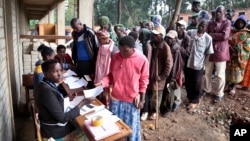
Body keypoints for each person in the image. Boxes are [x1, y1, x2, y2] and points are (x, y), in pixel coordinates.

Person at [96, 36, 149, 141]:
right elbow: (111, 75)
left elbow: (144, 81)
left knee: (131, 128)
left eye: (125, 51)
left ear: (133, 48)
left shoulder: (142, 59)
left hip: (132, 99)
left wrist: (142, 100)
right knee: (115, 127)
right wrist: (103, 82)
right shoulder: (115, 57)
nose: (122, 53)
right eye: (120, 49)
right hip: (116, 98)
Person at [34, 59, 93, 140]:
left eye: (61, 70)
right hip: (56, 132)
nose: (60, 74)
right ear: (45, 73)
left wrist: (67, 98)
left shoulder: (46, 84)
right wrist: (83, 102)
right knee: (88, 134)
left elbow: (53, 101)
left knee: (80, 124)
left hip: (53, 126)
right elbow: (62, 118)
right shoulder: (46, 91)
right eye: (55, 71)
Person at [203, 5, 231, 102]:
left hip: (221, 52)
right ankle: (206, 89)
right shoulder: (210, 23)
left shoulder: (227, 23)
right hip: (209, 51)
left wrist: (211, 35)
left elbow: (224, 36)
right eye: (216, 12)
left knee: (220, 74)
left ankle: (219, 93)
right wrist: (212, 35)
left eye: (220, 12)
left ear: (224, 13)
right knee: (207, 72)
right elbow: (205, 34)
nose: (217, 13)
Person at [185, 20, 213, 111]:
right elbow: (183, 35)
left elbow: (208, 53)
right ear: (198, 25)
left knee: (197, 83)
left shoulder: (208, 38)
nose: (201, 28)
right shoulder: (191, 33)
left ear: (206, 27)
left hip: (199, 64)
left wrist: (204, 65)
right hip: (188, 63)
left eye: (204, 26)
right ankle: (189, 97)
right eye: (200, 25)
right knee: (188, 81)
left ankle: (195, 100)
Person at [147, 26, 173, 120]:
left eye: (156, 35)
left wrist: (162, 76)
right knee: (152, 93)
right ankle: (151, 110)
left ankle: (155, 112)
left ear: (161, 36)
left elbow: (169, 64)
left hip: (158, 76)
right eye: (153, 34)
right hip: (152, 74)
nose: (154, 36)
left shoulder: (165, 47)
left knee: (156, 95)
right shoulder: (153, 44)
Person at [225, 15, 250, 95]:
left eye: (242, 22)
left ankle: (234, 87)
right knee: (228, 70)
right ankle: (227, 85)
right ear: (236, 22)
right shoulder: (232, 31)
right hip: (230, 54)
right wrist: (230, 47)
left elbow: (248, 45)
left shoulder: (247, 33)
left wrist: (238, 48)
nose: (240, 24)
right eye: (238, 22)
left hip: (239, 56)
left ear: (244, 23)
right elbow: (227, 40)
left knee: (237, 71)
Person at [161, 30, 183, 116]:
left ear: (175, 39)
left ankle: (167, 109)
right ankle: (165, 107)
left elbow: (175, 65)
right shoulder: (167, 47)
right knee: (166, 91)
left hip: (172, 74)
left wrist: (172, 78)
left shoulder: (176, 49)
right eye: (167, 38)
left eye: (171, 38)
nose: (169, 40)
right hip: (166, 72)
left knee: (170, 92)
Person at [94, 30, 115, 107]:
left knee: (108, 94)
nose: (99, 41)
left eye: (100, 39)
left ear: (105, 39)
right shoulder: (101, 48)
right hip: (100, 75)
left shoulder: (113, 50)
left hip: (108, 75)